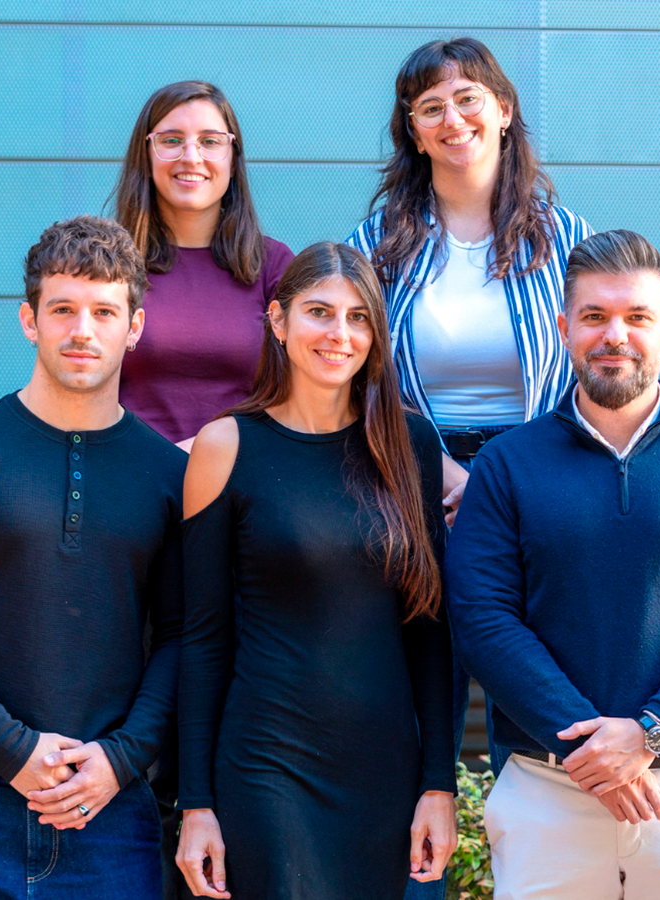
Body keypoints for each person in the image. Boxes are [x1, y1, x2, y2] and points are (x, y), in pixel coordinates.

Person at [447, 230, 660, 899]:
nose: (615, 335)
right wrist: (591, 748)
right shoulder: (506, 465)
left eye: (637, 317)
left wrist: (652, 731)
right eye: (595, 316)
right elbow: (483, 618)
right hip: (547, 791)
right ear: (564, 329)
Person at [0, 216, 186, 899]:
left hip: (108, 817)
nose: (83, 330)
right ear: (30, 320)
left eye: (104, 312)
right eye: (62, 309)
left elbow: (183, 633)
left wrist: (123, 758)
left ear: (134, 327)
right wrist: (14, 750)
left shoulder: (169, 477)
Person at [346, 37, 592, 817]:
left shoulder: (568, 237)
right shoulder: (374, 246)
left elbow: (592, 370)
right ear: (413, 132)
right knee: (421, 698)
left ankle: (546, 849)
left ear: (504, 110)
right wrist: (437, 468)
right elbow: (353, 374)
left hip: (540, 485)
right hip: (413, 487)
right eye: (431, 108)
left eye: (467, 99)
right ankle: (418, 864)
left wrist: (505, 478)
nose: (452, 119)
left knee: (540, 687)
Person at [175, 242, 457, 899]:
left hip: (381, 768)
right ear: (278, 320)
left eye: (359, 318)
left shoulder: (409, 444)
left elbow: (429, 629)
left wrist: (438, 784)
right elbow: (202, 638)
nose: (339, 334)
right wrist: (197, 805)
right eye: (319, 312)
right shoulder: (226, 446)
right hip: (268, 765)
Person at [113, 80, 294, 450]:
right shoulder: (110, 264)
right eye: (171, 140)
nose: (191, 157)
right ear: (146, 155)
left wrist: (203, 452)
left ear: (233, 159)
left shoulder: (274, 266)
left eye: (210, 141)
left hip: (243, 472)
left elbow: (301, 397)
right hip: (129, 471)